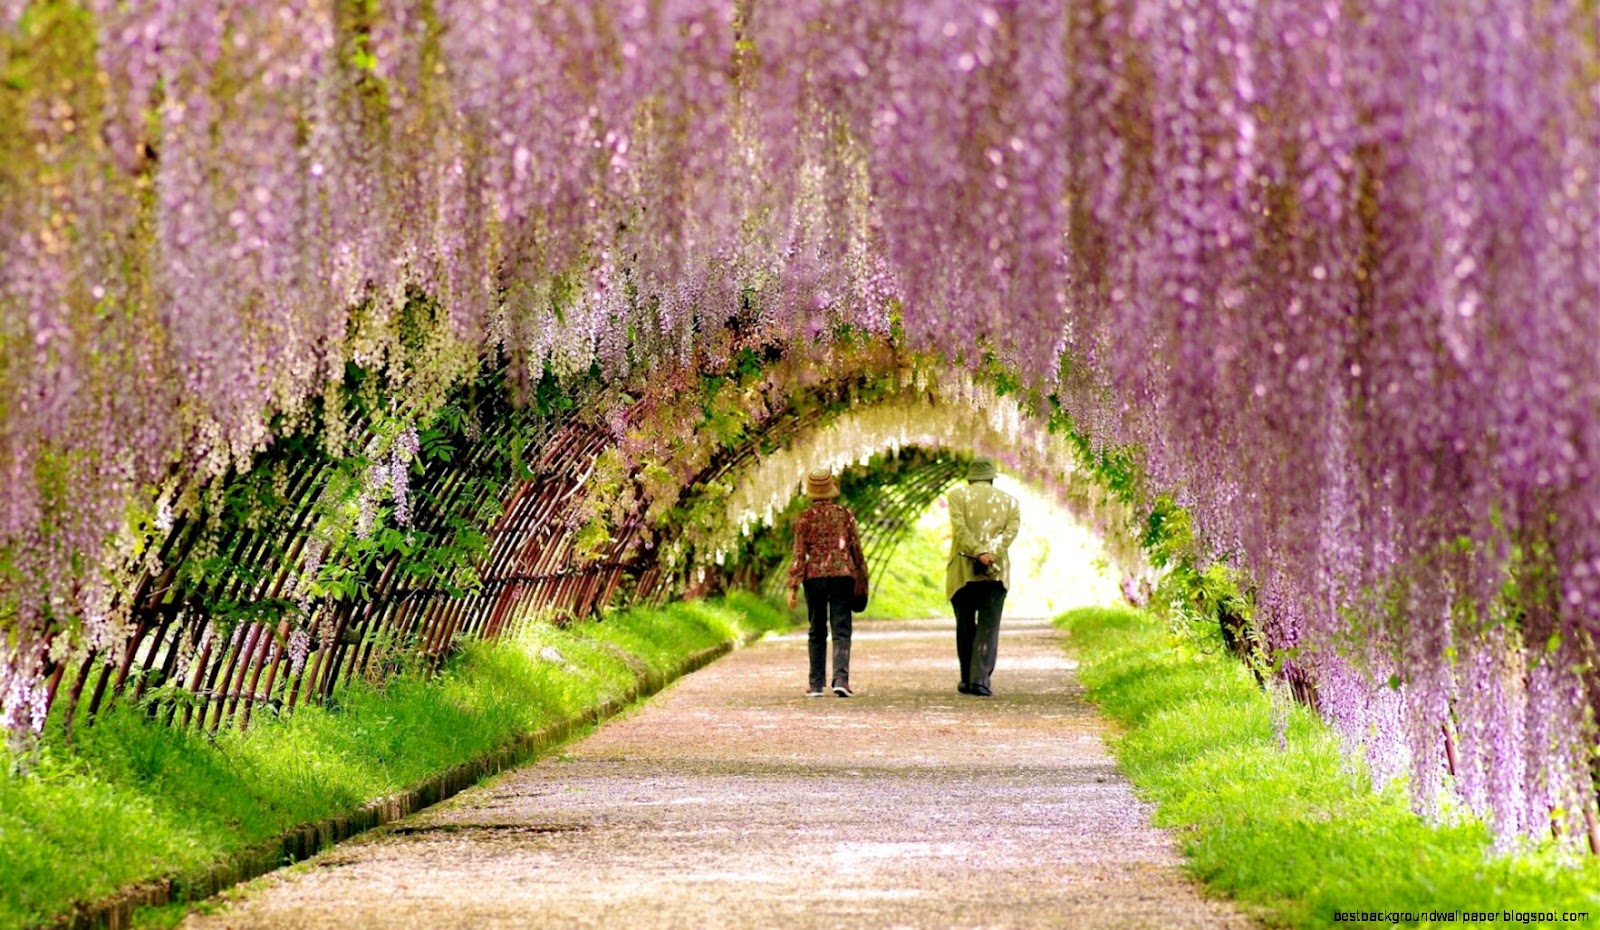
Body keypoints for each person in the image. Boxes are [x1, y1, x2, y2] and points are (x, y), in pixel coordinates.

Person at [787, 468, 867, 697]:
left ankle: (815, 684)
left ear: (811, 492)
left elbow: (799, 554)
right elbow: (855, 549)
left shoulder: (804, 518)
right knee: (841, 629)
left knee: (816, 630)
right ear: (832, 490)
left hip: (814, 577)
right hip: (842, 576)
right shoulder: (844, 515)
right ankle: (841, 679)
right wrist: (861, 573)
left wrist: (792, 586)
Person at [945, 457, 1020, 697]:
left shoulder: (957, 496)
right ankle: (980, 680)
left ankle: (967, 679)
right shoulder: (1010, 501)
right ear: (991, 477)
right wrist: (990, 553)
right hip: (995, 572)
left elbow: (960, 528)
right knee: (989, 626)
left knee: (965, 625)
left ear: (970, 478)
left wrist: (977, 551)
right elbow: (1010, 533)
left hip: (963, 571)